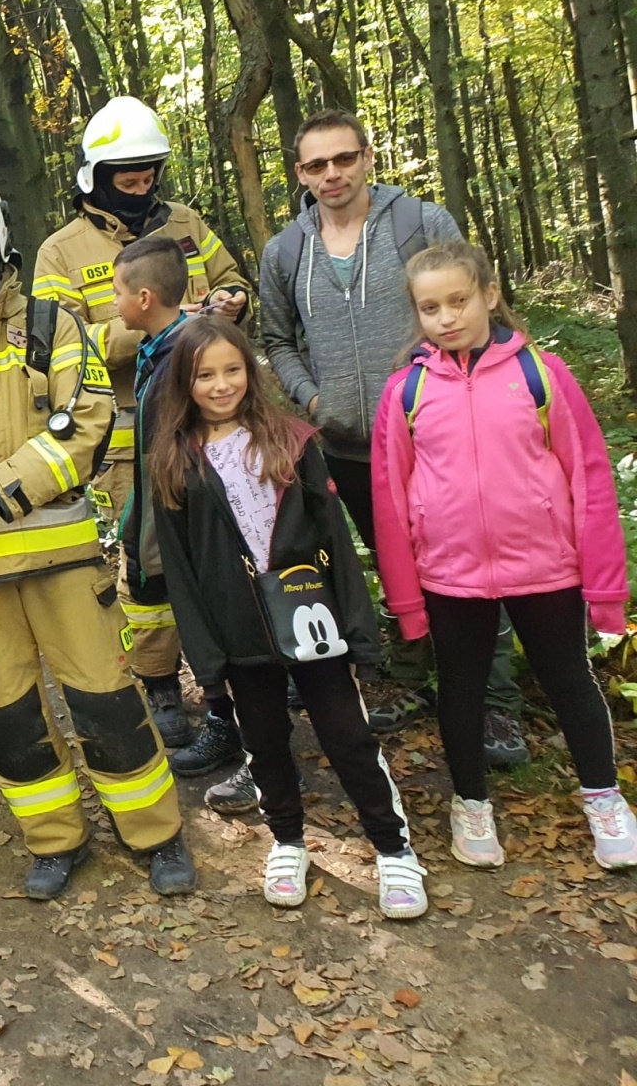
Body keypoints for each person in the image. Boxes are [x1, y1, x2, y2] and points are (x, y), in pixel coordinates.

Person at [0, 163, 196, 900]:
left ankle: (155, 833)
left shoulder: (53, 324)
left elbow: (85, 427)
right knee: (9, 716)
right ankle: (54, 839)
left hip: (59, 559)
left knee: (106, 700)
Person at [259, 109, 527, 761]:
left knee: (466, 563)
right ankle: (412, 679)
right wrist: (312, 397)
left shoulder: (421, 224)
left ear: (367, 157)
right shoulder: (286, 250)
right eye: (316, 164)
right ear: (300, 173)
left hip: (437, 437)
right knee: (394, 564)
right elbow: (276, 339)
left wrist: (438, 389)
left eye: (343, 159)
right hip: (347, 443)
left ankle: (495, 707)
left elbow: (463, 310)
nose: (332, 174)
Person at [149, 315, 428, 918]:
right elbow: (180, 568)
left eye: (232, 370)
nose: (221, 385)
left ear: (251, 371)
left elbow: (337, 541)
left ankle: (392, 847)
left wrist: (358, 628)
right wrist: (207, 655)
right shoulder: (175, 463)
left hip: (311, 617)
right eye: (205, 375)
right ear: (185, 383)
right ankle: (287, 838)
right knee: (265, 739)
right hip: (237, 627)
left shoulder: (293, 442)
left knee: (346, 734)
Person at [371, 242, 635, 871]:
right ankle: (470, 804)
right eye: (430, 307)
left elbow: (590, 479)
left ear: (489, 295)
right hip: (451, 575)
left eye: (458, 300)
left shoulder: (540, 375)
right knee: (460, 690)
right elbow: (390, 500)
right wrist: (406, 601)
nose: (446, 317)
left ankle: (604, 799)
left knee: (570, 680)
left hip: (546, 566)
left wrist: (605, 589)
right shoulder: (405, 393)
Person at [33, 95, 249, 753]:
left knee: (226, 556)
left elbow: (232, 276)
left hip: (213, 427)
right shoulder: (61, 251)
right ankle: (160, 687)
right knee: (148, 569)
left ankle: (236, 685)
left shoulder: (186, 223)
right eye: (127, 172)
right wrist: (157, 326)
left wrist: (234, 300)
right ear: (95, 174)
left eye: (150, 168)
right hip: (128, 436)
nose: (141, 181)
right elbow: (51, 349)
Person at [112, 239, 245, 786]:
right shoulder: (156, 350)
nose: (113, 302)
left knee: (215, 625)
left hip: (194, 525)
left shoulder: (184, 358)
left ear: (144, 297)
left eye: (117, 292)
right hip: (162, 516)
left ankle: (228, 723)